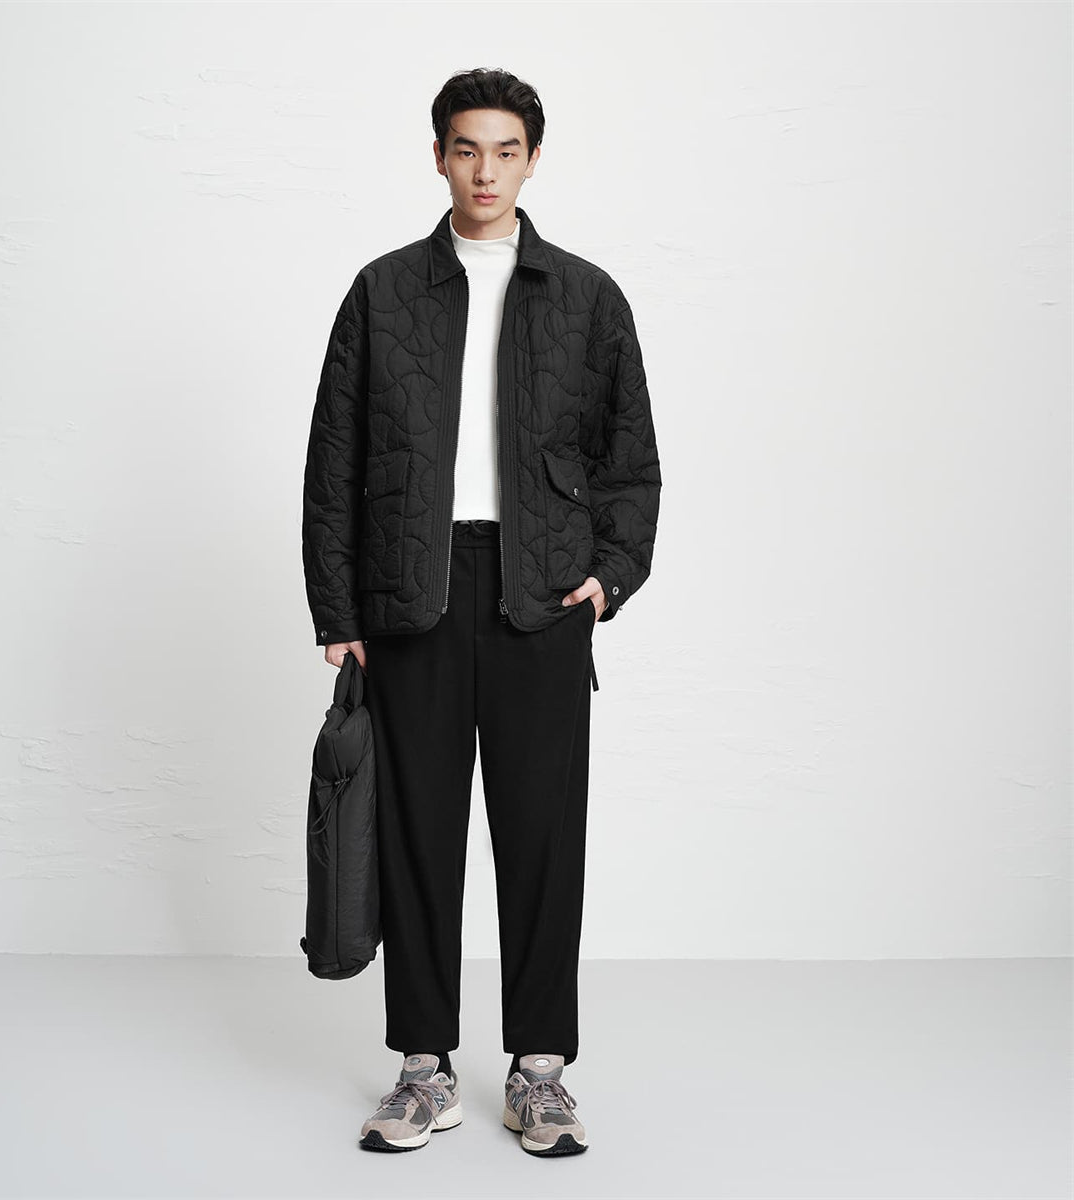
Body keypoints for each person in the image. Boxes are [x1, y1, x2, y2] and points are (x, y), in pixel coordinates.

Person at [301, 67, 661, 1157]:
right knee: (417, 837)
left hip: (540, 594)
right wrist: (338, 605)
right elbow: (334, 462)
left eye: (506, 151)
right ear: (439, 157)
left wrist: (611, 572)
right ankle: (424, 1068)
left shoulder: (587, 297)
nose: (486, 170)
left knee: (543, 837)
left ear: (533, 160)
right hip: (411, 593)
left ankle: (540, 1072)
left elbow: (630, 459)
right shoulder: (383, 291)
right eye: (467, 149)